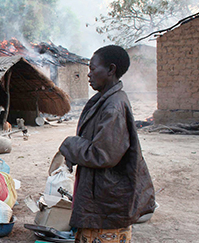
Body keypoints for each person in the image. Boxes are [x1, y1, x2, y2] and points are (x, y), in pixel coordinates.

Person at [57, 45, 156, 243]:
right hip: (101, 192)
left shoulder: (113, 106)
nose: (88, 74)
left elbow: (102, 154)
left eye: (93, 69)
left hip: (107, 197)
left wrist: (69, 144)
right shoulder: (105, 100)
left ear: (111, 70)